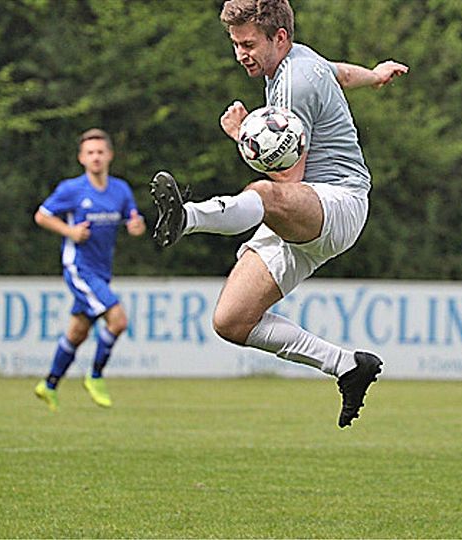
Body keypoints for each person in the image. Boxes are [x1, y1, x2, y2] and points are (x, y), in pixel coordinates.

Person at [149, 0, 408, 428]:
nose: (240, 54)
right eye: (235, 44)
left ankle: (187, 217)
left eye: (248, 43)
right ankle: (348, 366)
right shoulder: (304, 59)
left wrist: (243, 137)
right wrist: (375, 76)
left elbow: (288, 184)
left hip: (337, 201)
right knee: (231, 320)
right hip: (307, 213)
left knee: (265, 194)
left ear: (279, 37)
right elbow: (339, 72)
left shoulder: (294, 85)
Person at [33, 128, 147, 411]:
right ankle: (95, 375)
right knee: (118, 320)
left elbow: (133, 221)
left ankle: (48, 384)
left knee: (77, 333)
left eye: (100, 152)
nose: (96, 157)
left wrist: (137, 226)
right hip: (79, 267)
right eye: (90, 153)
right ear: (81, 158)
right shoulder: (71, 189)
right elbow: (42, 216)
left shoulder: (120, 190)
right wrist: (69, 231)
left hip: (102, 270)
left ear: (109, 155)